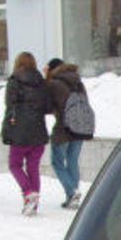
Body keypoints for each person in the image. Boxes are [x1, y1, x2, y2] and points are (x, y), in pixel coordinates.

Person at [1, 52, 50, 216]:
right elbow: (47, 106)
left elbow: (10, 106)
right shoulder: (41, 81)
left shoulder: (14, 81)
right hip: (38, 130)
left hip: (20, 131)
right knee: (33, 167)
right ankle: (33, 205)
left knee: (14, 164)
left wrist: (7, 129)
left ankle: (28, 194)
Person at [45, 58, 92, 209]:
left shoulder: (54, 84)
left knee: (57, 162)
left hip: (63, 128)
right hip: (80, 127)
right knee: (72, 161)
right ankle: (73, 195)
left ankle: (72, 192)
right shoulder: (78, 82)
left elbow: (48, 106)